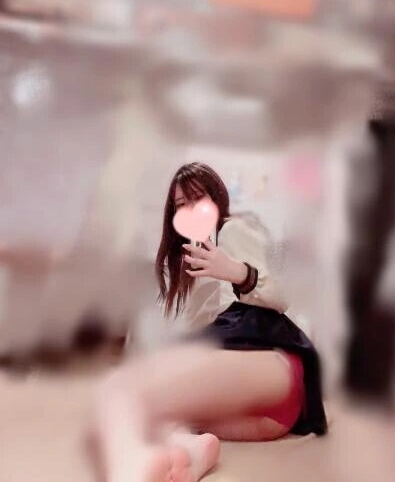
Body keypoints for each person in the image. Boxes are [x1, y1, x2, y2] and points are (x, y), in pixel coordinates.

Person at [90, 162, 327, 482]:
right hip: (249, 413)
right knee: (140, 400)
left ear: (216, 199)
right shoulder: (185, 260)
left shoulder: (231, 230)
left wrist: (238, 273)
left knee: (123, 390)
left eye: (197, 198)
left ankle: (142, 465)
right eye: (180, 204)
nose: (189, 210)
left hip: (268, 363)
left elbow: (281, 298)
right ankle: (191, 449)